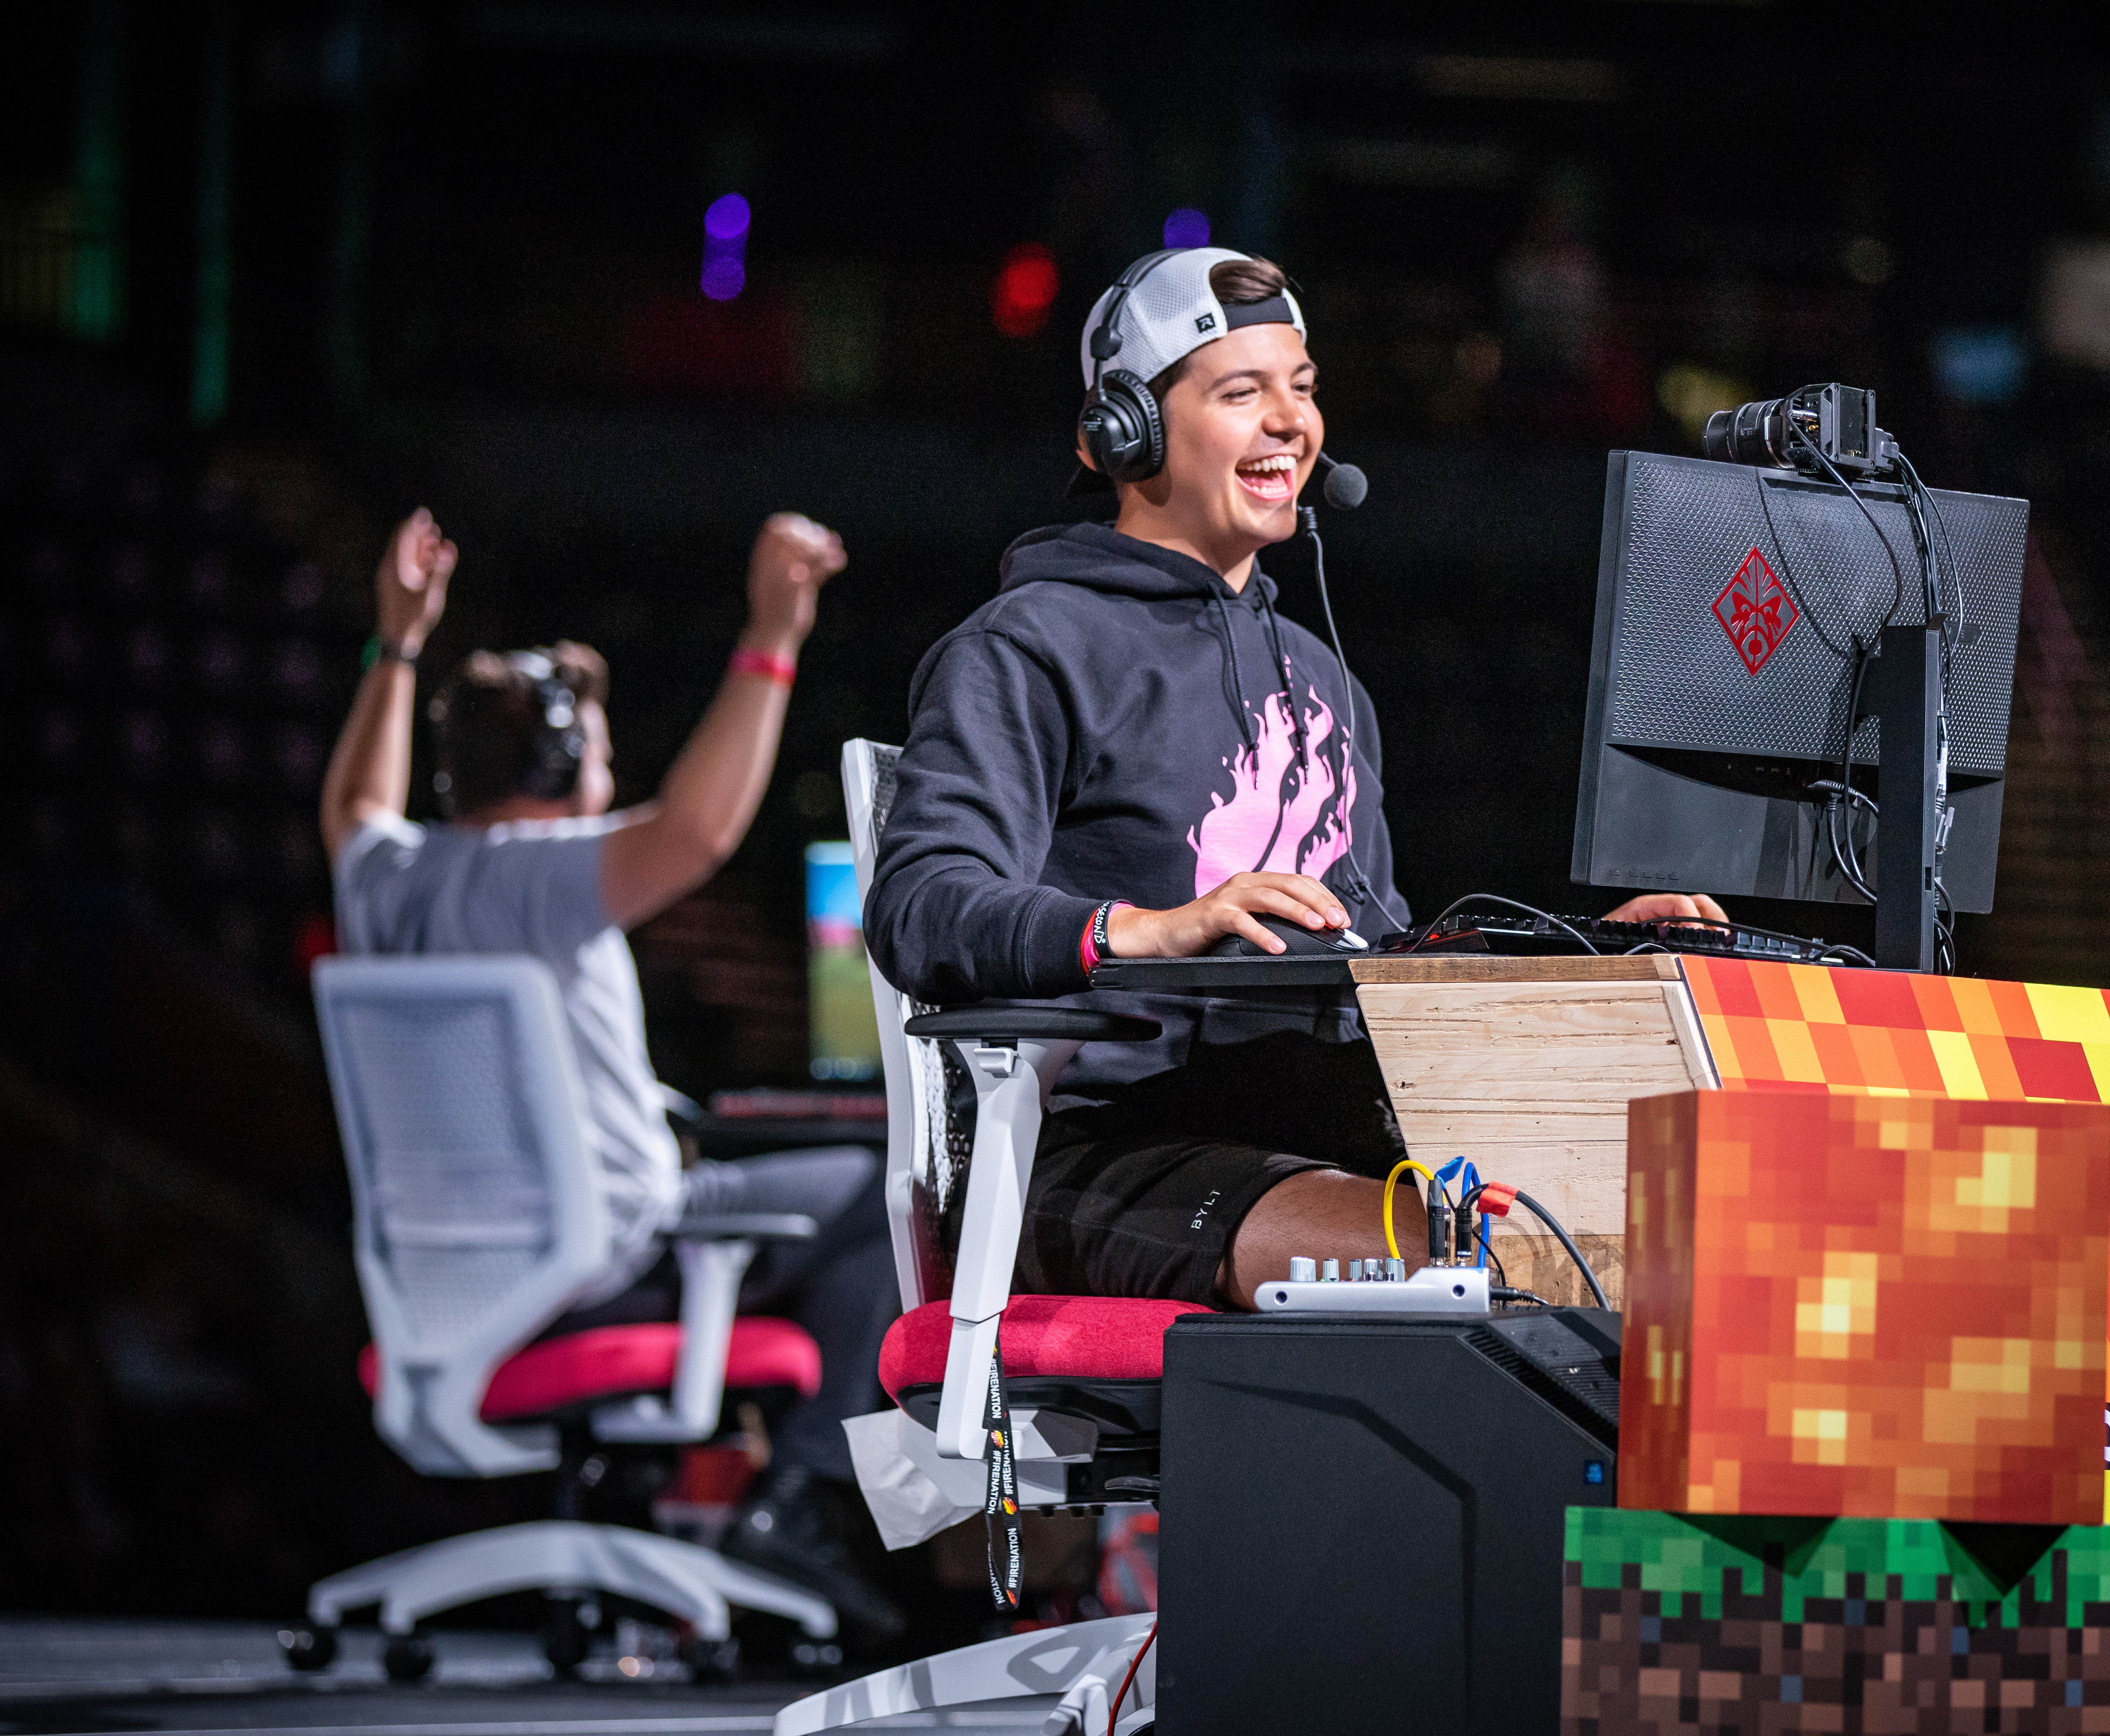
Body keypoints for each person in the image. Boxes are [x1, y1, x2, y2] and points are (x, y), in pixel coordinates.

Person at [866, 247, 1720, 1311]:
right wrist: (1144, 926)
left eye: (1303, 389)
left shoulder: (1326, 683)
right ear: (1124, 432)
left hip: (1311, 1140)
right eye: (1241, 392)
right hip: (1101, 1158)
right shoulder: (1027, 646)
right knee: (1496, 1269)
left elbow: (1377, 956)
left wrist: (1577, 959)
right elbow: (921, 905)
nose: (1290, 421)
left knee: (1670, 1239)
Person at [319, 507, 904, 1641]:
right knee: (894, 1187)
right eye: (595, 748)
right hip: (612, 1261)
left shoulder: (387, 879)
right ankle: (803, 1499)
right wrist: (772, 635)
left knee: (816, 1183)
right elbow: (695, 831)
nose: (610, 768)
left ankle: (737, 1500)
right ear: (555, 764)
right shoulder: (537, 874)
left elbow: (352, 805)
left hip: (462, 1276)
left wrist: (397, 640)